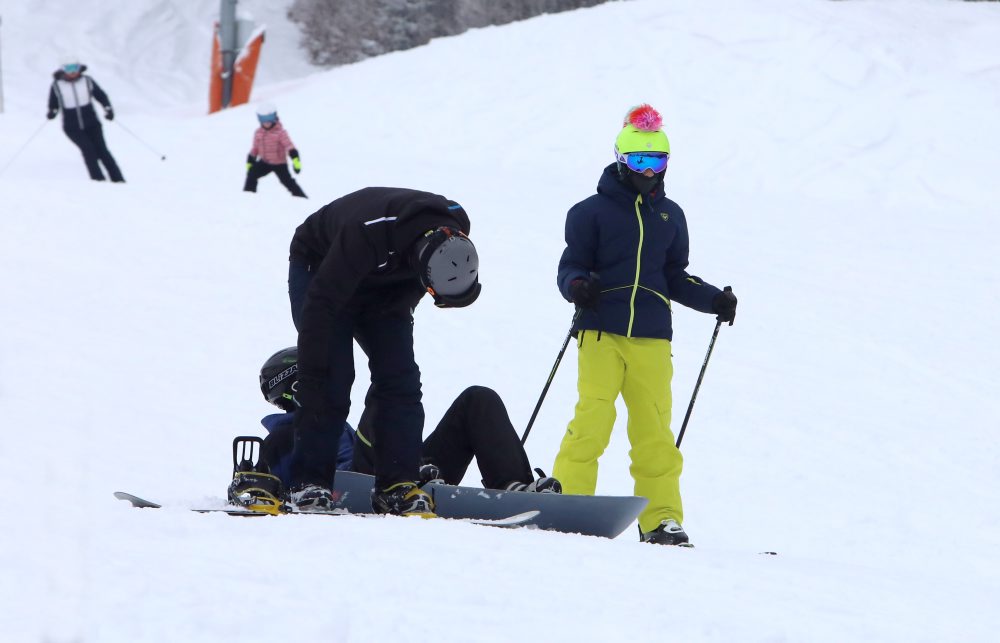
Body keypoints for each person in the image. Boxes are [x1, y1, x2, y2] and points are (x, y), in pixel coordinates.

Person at [552, 104, 738, 546]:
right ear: (621, 159)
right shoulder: (589, 212)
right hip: (601, 330)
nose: (649, 171)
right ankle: (571, 502)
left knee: (655, 431)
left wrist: (714, 299)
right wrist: (578, 286)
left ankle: (661, 519)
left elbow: (675, 276)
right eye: (640, 161)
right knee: (593, 418)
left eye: (658, 161)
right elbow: (570, 267)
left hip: (652, 337)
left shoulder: (671, 216)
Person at [287, 187, 483, 516]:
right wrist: (315, 365)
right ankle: (309, 483)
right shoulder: (367, 232)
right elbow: (322, 307)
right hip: (322, 269)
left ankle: (396, 484)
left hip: (388, 283)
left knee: (400, 380)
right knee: (331, 374)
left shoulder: (455, 227)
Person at [230, 346, 560, 507]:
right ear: (297, 388)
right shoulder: (284, 434)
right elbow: (273, 486)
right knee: (382, 399)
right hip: (363, 483)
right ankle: (410, 471)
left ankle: (514, 486)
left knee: (478, 399)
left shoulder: (334, 423)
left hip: (404, 471)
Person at [46, 58, 125, 182]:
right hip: (72, 127)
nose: (72, 72)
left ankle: (118, 179)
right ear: (63, 69)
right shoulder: (57, 85)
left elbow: (101, 95)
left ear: (79, 68)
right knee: (88, 149)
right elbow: (53, 103)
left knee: (102, 150)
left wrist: (107, 108)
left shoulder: (87, 81)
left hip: (92, 123)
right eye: (68, 69)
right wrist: (52, 111)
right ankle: (98, 180)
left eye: (75, 68)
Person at [243, 103, 306, 197]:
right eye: (263, 119)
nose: (266, 122)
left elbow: (290, 147)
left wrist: (295, 160)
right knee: (252, 174)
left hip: (279, 164)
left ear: (274, 117)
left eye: (269, 119)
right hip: (265, 162)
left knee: (288, 182)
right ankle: (248, 196)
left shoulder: (280, 133)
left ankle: (301, 197)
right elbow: (255, 148)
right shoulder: (258, 133)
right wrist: (250, 161)